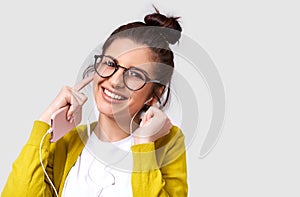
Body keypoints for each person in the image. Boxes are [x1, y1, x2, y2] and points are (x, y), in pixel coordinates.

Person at [2, 7, 188, 197]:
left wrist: (143, 143)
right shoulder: (69, 141)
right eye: (110, 64)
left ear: (154, 93)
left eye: (134, 74)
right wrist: (43, 123)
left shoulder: (167, 142)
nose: (115, 81)